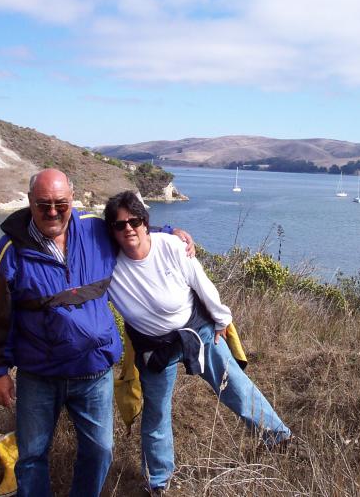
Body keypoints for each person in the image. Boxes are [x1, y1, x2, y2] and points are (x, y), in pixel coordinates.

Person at [0, 169, 193, 497]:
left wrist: (170, 231)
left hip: (94, 372)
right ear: (29, 202)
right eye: (43, 204)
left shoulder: (96, 230)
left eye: (60, 203)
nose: (53, 211)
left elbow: (132, 231)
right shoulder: (11, 249)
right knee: (32, 456)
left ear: (72, 199)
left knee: (99, 452)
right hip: (39, 374)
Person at [104, 191, 292, 495]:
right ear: (110, 230)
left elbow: (200, 283)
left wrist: (221, 319)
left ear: (145, 222)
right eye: (118, 224)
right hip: (153, 347)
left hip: (195, 330)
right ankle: (158, 482)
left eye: (134, 221)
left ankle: (279, 437)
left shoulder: (171, 247)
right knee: (156, 413)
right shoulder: (108, 265)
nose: (127, 228)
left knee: (234, 386)